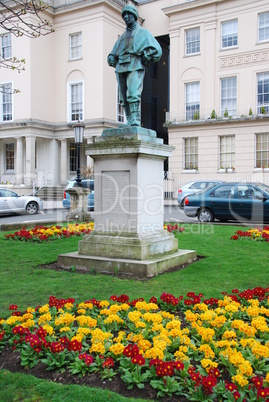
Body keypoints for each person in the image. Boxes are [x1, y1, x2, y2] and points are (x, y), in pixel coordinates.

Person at [107, 5, 162, 127]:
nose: (126, 17)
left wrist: (147, 55)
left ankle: (136, 119)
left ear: (135, 16)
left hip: (135, 64)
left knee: (133, 93)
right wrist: (111, 58)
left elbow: (157, 50)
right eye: (124, 15)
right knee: (123, 97)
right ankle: (129, 120)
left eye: (129, 14)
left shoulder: (143, 33)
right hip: (120, 66)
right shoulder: (122, 37)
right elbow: (113, 53)